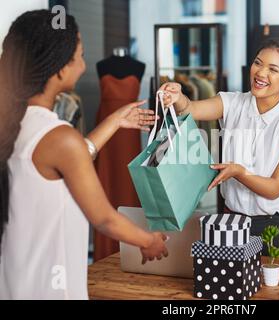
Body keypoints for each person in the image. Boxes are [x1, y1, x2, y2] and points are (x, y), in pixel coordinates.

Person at [0, 10, 168, 300]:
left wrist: (114, 121)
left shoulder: (16, 125)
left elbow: (72, 156)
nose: (83, 64)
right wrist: (148, 240)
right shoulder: (59, 138)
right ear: (60, 69)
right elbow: (104, 218)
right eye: (79, 55)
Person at [160, 39, 279, 254]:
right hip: (233, 224)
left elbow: (274, 188)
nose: (261, 73)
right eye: (258, 63)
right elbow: (190, 109)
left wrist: (238, 172)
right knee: (232, 287)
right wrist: (177, 97)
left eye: (272, 69)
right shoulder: (233, 102)